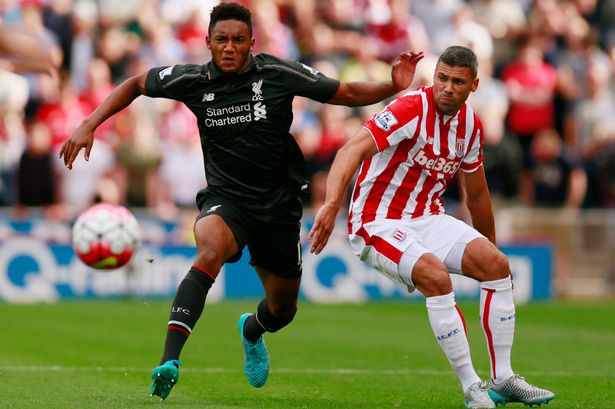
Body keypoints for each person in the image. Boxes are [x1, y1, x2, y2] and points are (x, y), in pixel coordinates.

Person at [58, 1, 424, 401]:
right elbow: (135, 84)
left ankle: (252, 329)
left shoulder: (278, 73)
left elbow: (346, 92)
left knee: (282, 311)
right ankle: (170, 360)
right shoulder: (192, 80)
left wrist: (393, 86)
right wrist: (88, 123)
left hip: (279, 205)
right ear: (208, 42)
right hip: (225, 199)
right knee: (210, 248)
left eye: (237, 40)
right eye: (221, 40)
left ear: (252, 41)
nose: (229, 47)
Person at [308, 46, 555, 408]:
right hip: (377, 222)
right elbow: (351, 150)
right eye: (442, 78)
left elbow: (477, 196)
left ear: (474, 85)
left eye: (458, 82)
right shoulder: (410, 108)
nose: (447, 88)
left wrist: (491, 246)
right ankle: (473, 388)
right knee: (436, 276)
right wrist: (332, 205)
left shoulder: (471, 125)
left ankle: (503, 378)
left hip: (429, 218)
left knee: (497, 266)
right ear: (434, 76)